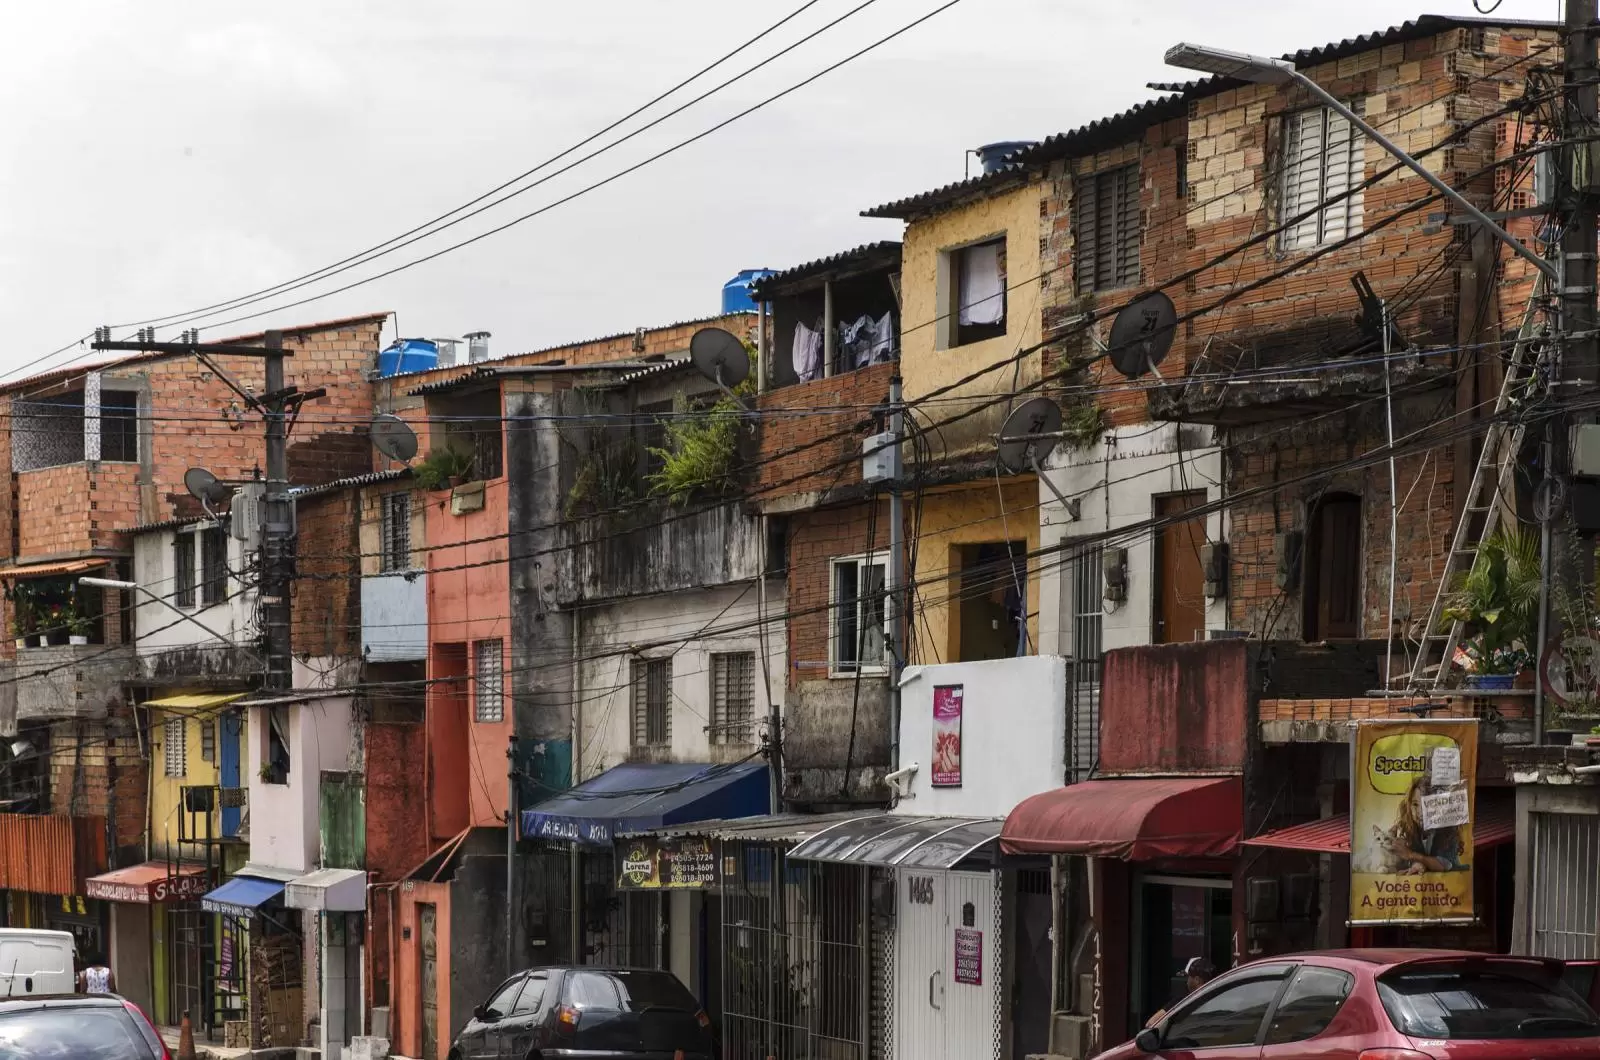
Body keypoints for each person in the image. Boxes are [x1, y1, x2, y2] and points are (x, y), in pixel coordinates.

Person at [1393, 776, 1464, 875]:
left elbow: (1445, 864)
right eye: (1415, 804)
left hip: (1453, 880)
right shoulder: (1412, 829)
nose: (1420, 812)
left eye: (1427, 804)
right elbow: (1418, 858)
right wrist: (1417, 864)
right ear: (1408, 806)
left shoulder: (1448, 828)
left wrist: (1411, 855)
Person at [1144, 958, 1217, 1028]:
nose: (1187, 981)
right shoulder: (1220, 998)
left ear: (1197, 980)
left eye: (1189, 977)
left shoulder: (1182, 1002)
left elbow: (1151, 1024)